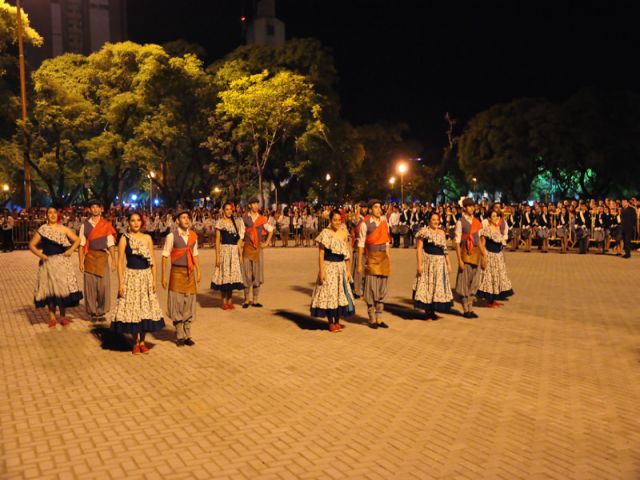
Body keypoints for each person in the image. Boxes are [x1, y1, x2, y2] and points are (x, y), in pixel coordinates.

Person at [111, 212, 165, 354]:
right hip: (131, 277)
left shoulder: (147, 238)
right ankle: (135, 342)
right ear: (128, 222)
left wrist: (154, 280)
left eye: (138, 220)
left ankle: (143, 341)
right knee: (133, 310)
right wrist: (121, 283)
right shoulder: (124, 238)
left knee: (145, 309)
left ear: (142, 222)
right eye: (133, 220)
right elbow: (120, 262)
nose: (136, 223)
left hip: (146, 277)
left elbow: (153, 260)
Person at [29, 205, 83, 328]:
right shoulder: (43, 229)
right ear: (46, 215)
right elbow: (31, 245)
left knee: (62, 291)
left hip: (61, 263)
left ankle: (63, 317)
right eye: (50, 213)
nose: (52, 215)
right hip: (48, 263)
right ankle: (52, 318)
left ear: (57, 215)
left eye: (54, 212)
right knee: (50, 291)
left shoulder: (63, 229)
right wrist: (40, 255)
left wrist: (70, 251)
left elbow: (78, 240)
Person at [310, 210, 356, 332]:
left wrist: (348, 270)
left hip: (340, 268)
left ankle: (337, 321)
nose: (337, 222)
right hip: (329, 267)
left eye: (339, 220)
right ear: (330, 220)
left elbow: (347, 254)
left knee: (339, 295)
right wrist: (322, 271)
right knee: (330, 295)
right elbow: (321, 254)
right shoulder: (325, 233)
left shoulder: (344, 234)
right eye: (334, 220)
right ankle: (330, 322)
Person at [161, 210, 201, 347]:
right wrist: (164, 276)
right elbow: (165, 256)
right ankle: (179, 335)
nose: (186, 220)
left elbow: (195, 255)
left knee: (189, 302)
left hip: (190, 273)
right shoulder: (171, 236)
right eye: (183, 217)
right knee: (177, 303)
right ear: (177, 221)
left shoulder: (193, 236)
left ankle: (188, 334)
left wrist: (199, 271)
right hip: (176, 273)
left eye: (187, 217)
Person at [78, 199, 117, 322]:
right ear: (89, 209)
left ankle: (101, 311)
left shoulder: (106, 225)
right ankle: (92, 312)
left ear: (101, 209)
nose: (95, 209)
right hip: (89, 257)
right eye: (92, 207)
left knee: (103, 286)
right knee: (90, 286)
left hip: (102, 257)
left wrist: (114, 260)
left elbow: (110, 244)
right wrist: (80, 262)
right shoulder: (85, 225)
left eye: (97, 207)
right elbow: (81, 245)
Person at [357, 199, 392, 329]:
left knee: (382, 289)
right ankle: (371, 318)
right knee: (371, 288)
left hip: (383, 259)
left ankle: (379, 318)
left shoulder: (384, 223)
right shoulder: (365, 224)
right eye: (376, 207)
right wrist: (360, 263)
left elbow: (387, 242)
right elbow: (361, 245)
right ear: (371, 209)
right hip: (371, 259)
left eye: (380, 207)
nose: (379, 209)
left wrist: (388, 258)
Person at [412, 212, 453, 321]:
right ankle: (427, 313)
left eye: (437, 220)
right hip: (428, 263)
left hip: (440, 264)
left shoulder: (442, 233)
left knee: (436, 287)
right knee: (428, 287)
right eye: (433, 219)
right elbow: (419, 249)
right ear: (429, 220)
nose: (435, 222)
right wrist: (419, 265)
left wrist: (448, 263)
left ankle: (433, 312)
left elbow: (445, 249)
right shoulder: (424, 232)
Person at [454, 197, 485, 319]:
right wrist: (459, 260)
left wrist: (484, 256)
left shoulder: (477, 222)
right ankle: (465, 309)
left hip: (476, 253)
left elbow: (481, 241)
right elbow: (456, 243)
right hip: (466, 253)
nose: (472, 208)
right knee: (464, 282)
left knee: (475, 282)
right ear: (465, 208)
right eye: (469, 206)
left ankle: (471, 308)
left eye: (473, 206)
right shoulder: (460, 222)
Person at [211, 202, 245, 309]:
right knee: (224, 277)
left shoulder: (236, 222)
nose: (229, 211)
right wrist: (217, 257)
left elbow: (238, 240)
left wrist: (240, 255)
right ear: (223, 211)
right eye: (227, 209)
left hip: (234, 251)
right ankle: (224, 302)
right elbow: (217, 241)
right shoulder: (220, 222)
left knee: (232, 277)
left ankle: (230, 301)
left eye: (230, 209)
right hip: (224, 251)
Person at [477, 209, 514, 307]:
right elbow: (481, 244)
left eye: (497, 216)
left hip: (498, 256)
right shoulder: (486, 229)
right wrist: (484, 256)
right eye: (493, 216)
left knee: (497, 277)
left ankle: (494, 299)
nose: (496, 218)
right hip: (490, 255)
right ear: (489, 218)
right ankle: (489, 301)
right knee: (490, 278)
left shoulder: (498, 229)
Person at [242, 197, 274, 308]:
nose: (256, 205)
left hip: (257, 249)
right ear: (249, 205)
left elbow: (271, 230)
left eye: (257, 204)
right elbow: (241, 233)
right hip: (247, 248)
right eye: (253, 204)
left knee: (257, 274)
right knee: (246, 273)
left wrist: (266, 243)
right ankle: (246, 300)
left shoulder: (262, 219)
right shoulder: (244, 218)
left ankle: (255, 300)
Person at [350, 201, 368, 298]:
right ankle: (357, 290)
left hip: (366, 246)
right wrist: (357, 210)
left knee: (363, 270)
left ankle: (360, 289)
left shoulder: (366, 218)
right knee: (358, 269)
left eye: (365, 208)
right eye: (363, 208)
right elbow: (354, 222)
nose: (364, 209)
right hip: (358, 246)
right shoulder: (357, 218)